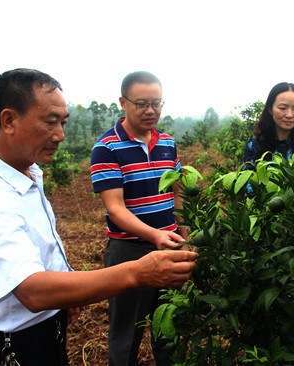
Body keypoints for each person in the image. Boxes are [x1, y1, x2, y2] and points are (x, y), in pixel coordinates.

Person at [0, 68, 198, 366]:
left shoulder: (26, 172)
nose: (60, 135)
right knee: (126, 336)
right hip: (10, 342)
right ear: (9, 120)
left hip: (45, 327)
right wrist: (137, 272)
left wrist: (65, 293)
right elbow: (32, 291)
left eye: (63, 123)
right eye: (51, 122)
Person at [90, 71, 188, 366]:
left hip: (170, 245)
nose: (151, 111)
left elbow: (177, 189)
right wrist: (155, 235)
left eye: (156, 103)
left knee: (169, 329)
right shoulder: (107, 147)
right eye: (142, 103)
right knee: (126, 335)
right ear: (123, 102)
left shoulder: (167, 142)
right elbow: (116, 210)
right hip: (129, 252)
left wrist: (183, 228)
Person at [242, 82, 294, 170]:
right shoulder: (254, 145)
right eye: (283, 108)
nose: (289, 115)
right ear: (270, 109)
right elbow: (247, 180)